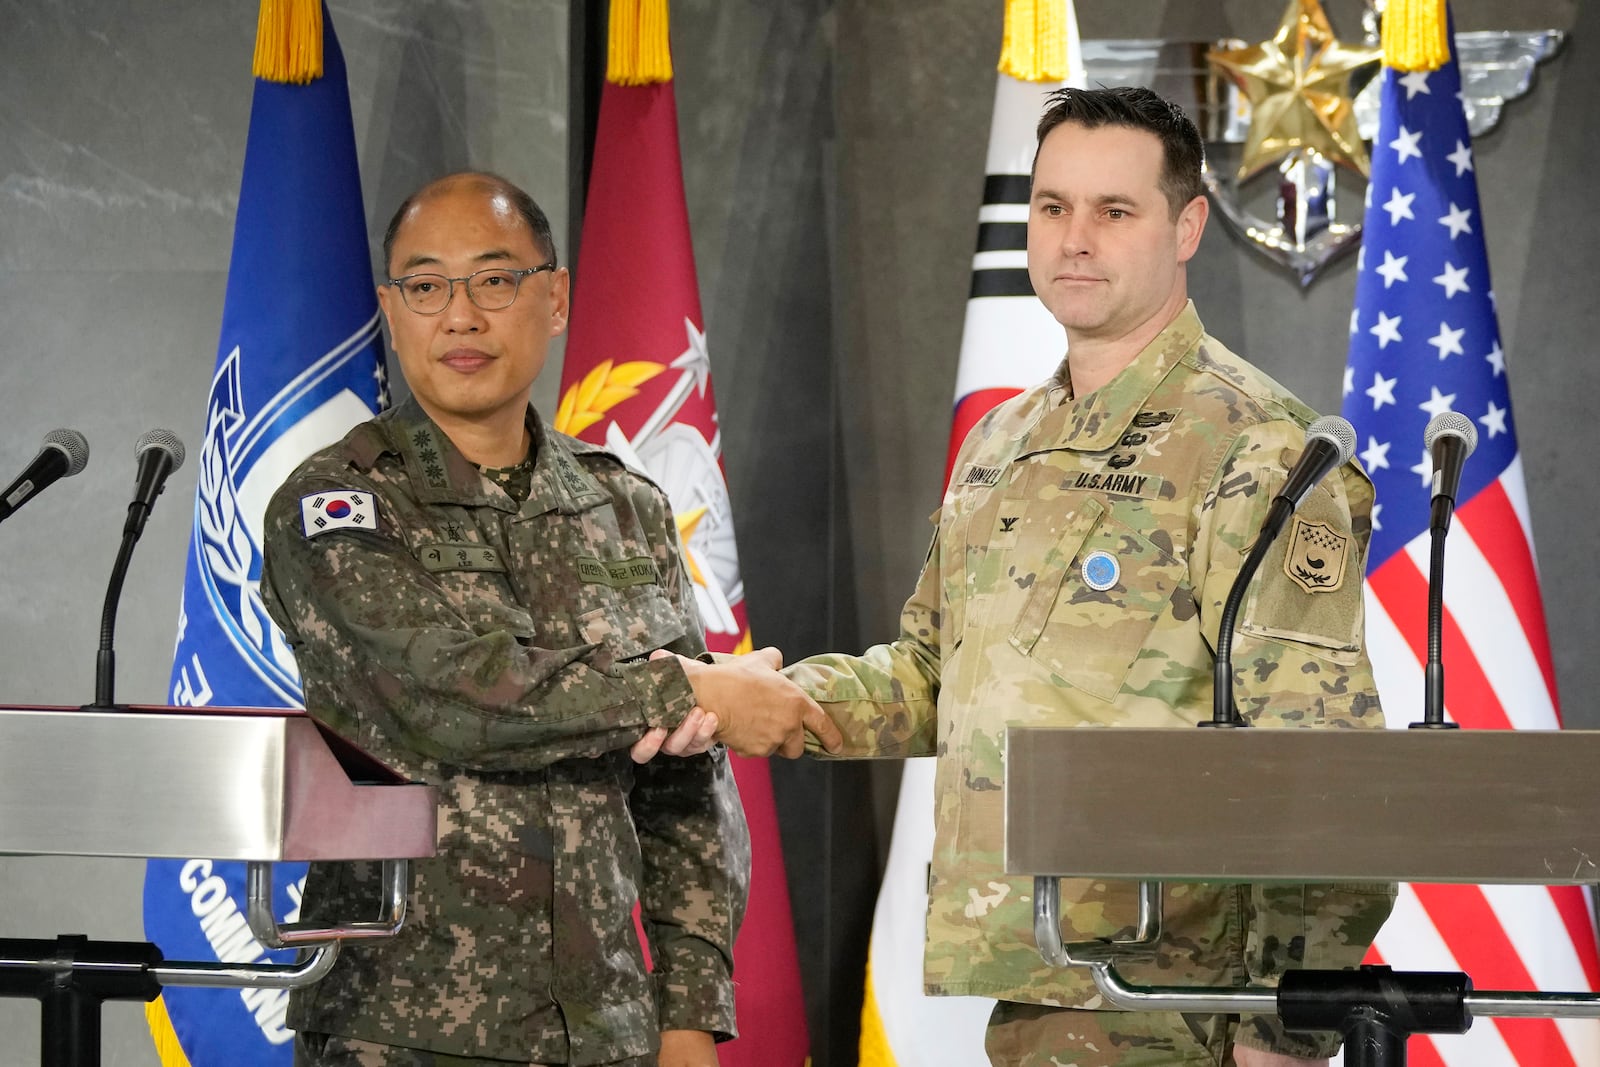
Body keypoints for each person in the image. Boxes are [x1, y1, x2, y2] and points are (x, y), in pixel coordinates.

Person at [675, 87, 1396, 1065]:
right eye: (1051, 206)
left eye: (1113, 210)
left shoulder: (1256, 449)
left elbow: (1320, 758)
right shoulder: (1001, 441)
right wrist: (772, 701)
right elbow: (933, 675)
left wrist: (1287, 1024)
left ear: (1186, 226)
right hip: (1041, 984)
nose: (1074, 238)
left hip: (1187, 1005)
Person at [260, 171, 838, 1067]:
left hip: (606, 1029)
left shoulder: (626, 504)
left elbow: (687, 780)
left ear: (556, 297)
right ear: (391, 306)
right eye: (425, 286)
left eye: (493, 281)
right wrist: (687, 685)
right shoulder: (339, 504)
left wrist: (688, 1008)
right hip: (399, 1030)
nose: (459, 316)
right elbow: (453, 697)